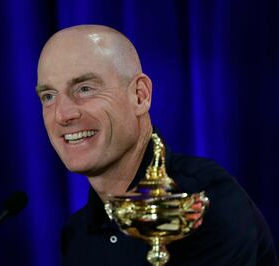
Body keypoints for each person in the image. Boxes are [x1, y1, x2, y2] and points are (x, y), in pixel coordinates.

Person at [36, 25, 278, 266]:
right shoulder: (76, 234)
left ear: (140, 96)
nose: (62, 114)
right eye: (48, 96)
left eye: (85, 89)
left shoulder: (200, 204)